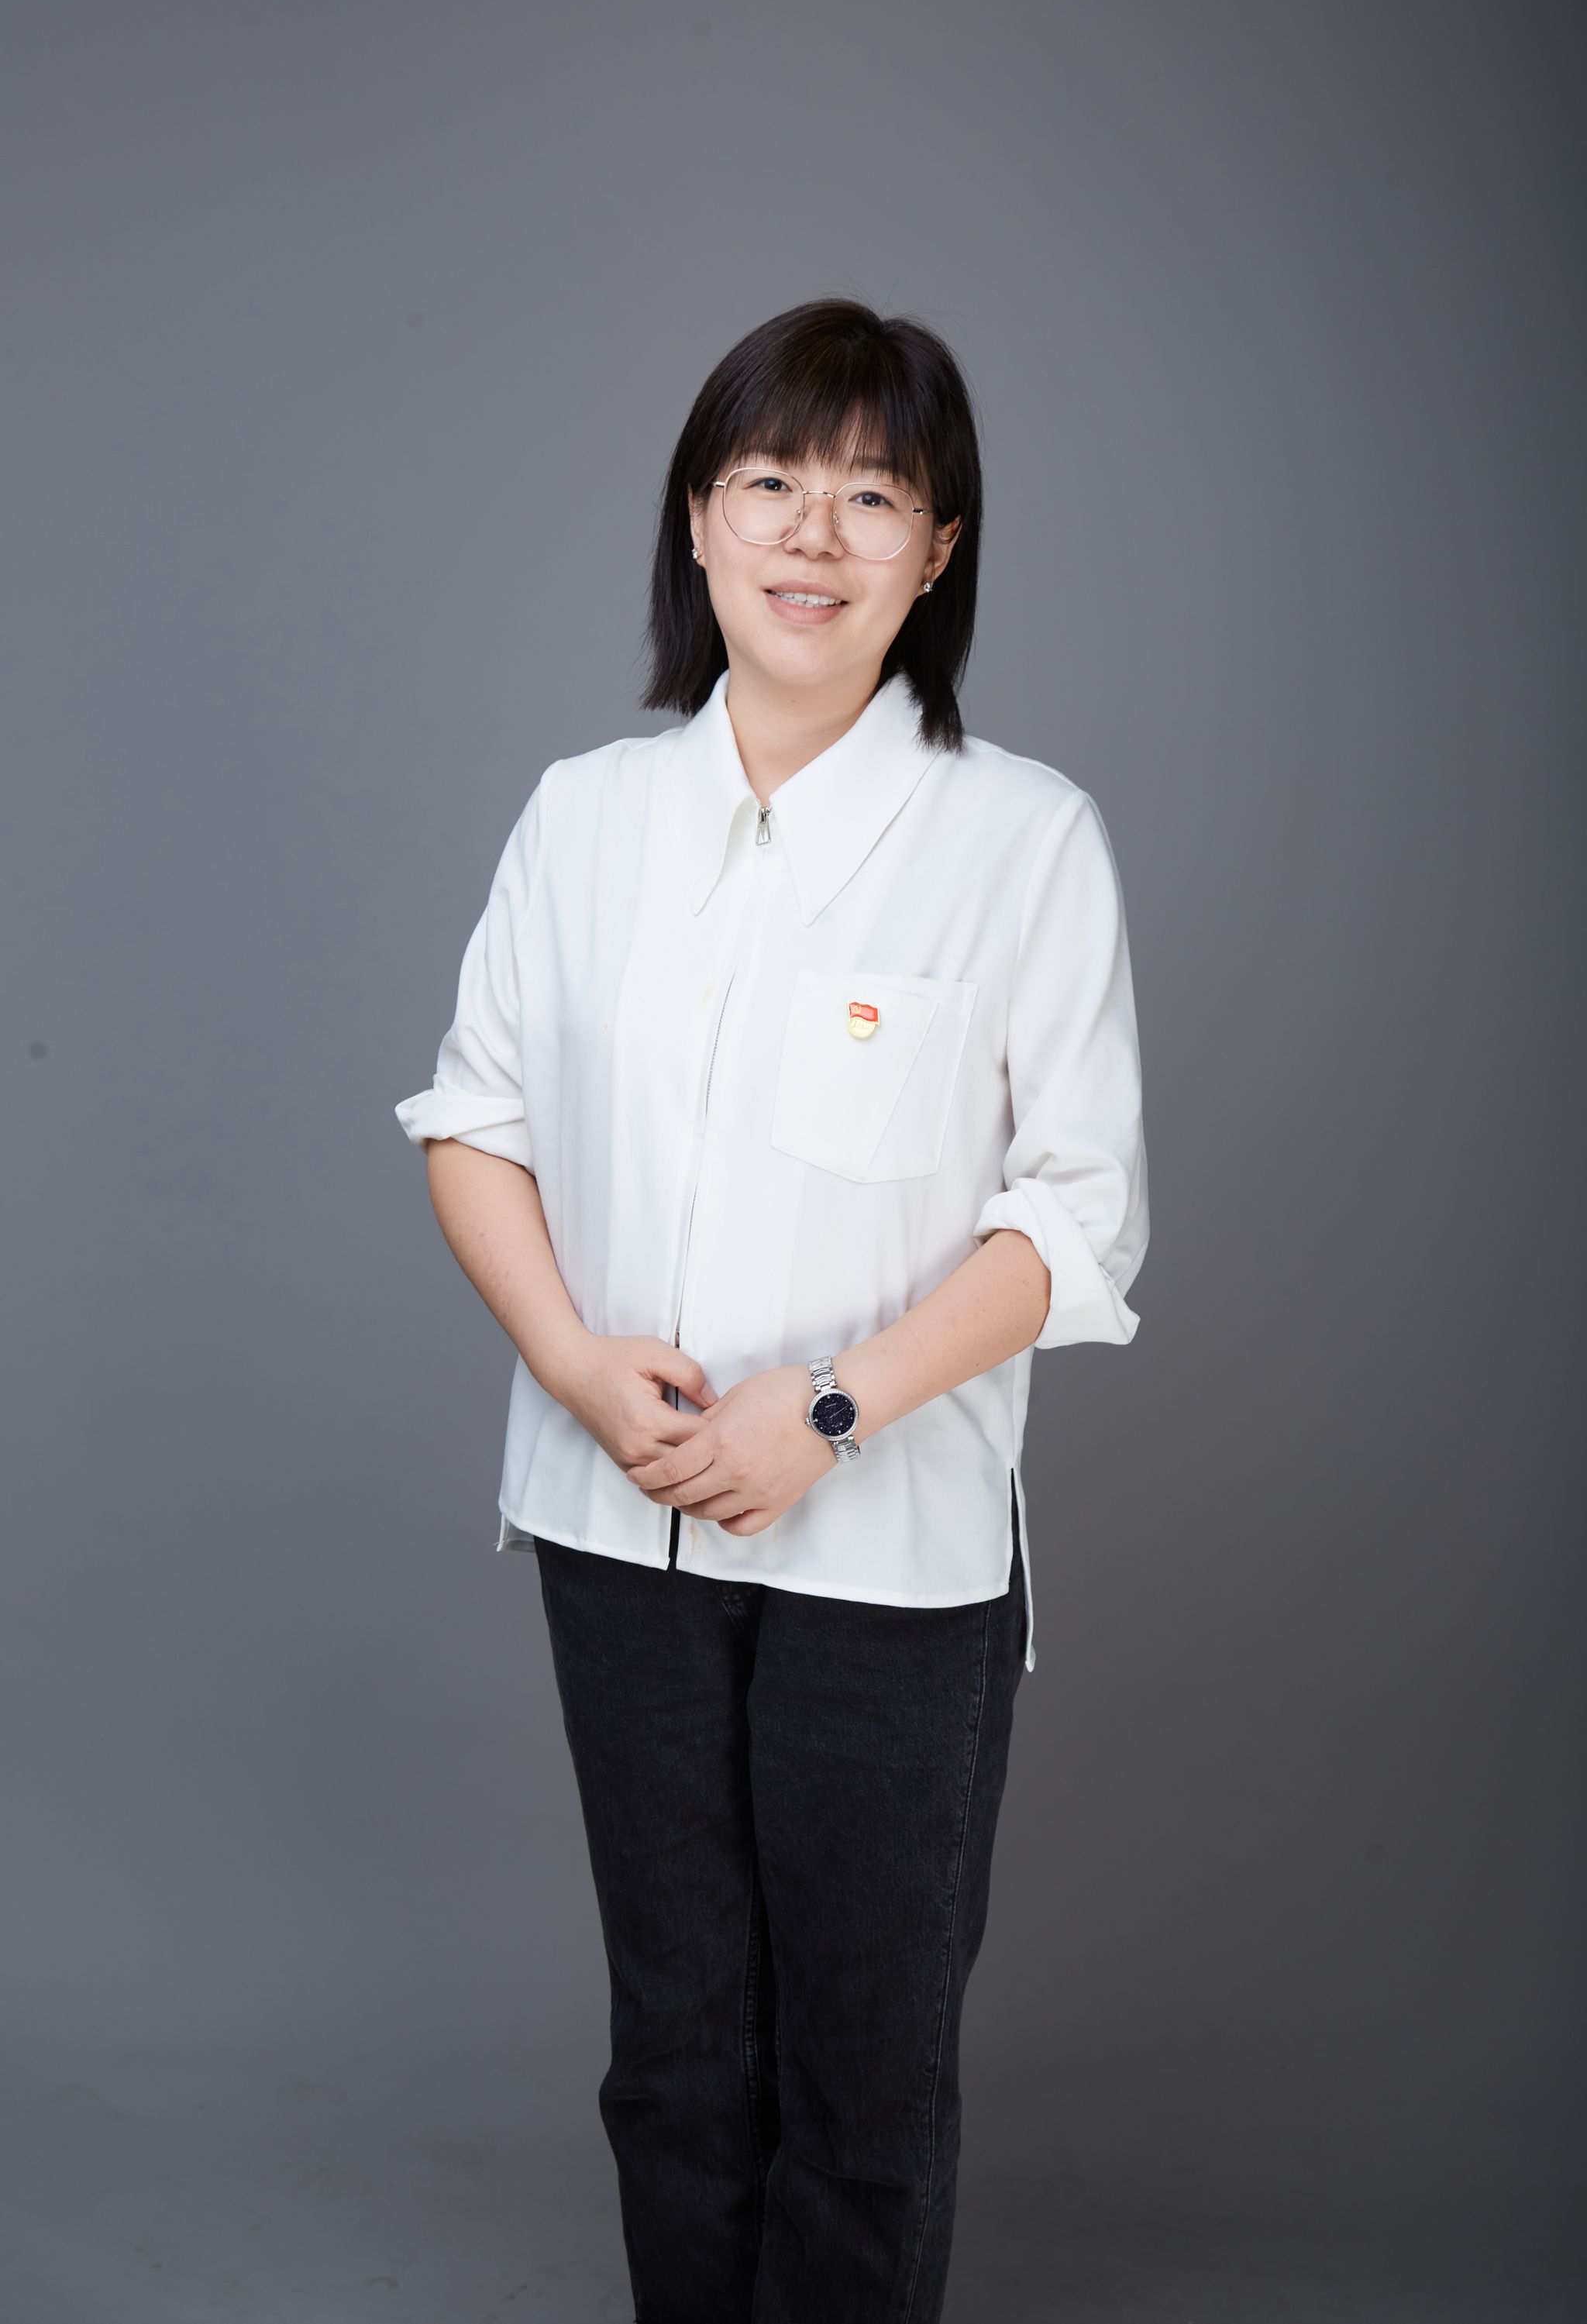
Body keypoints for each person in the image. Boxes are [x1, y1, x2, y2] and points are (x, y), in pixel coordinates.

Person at [394, 296, 1149, 2324]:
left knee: (864, 2079)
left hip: (888, 1555)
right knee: (678, 2051)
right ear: (698, 522)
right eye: (769, 483)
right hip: (613, 1520)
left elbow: (1078, 1220)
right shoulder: (583, 817)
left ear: (939, 549)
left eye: (873, 496)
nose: (814, 535)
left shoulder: (1021, 840)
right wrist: (574, 1363)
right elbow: (472, 1122)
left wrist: (823, 1407)